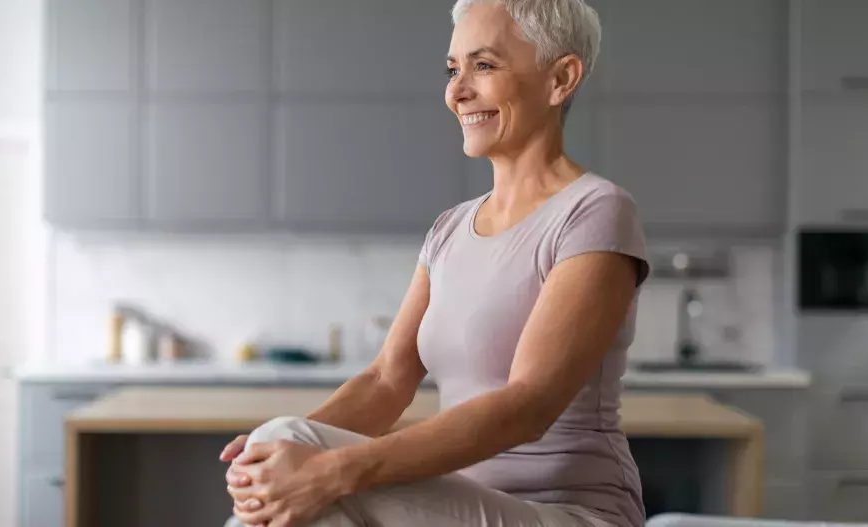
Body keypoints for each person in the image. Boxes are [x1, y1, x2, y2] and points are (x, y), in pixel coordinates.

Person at [221, 0, 650, 525]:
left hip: (571, 513)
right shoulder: (449, 229)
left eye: (483, 65)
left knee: (304, 473)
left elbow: (529, 406)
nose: (457, 91)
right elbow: (386, 381)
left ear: (561, 79)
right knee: (281, 453)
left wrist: (331, 468)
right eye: (452, 70)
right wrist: (281, 454)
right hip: (459, 508)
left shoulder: (596, 211)